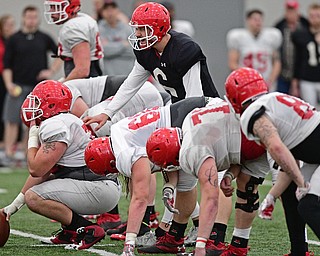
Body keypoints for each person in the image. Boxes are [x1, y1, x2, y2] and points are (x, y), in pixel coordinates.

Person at [2, 80, 121, 250]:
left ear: (50, 103)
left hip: (98, 186)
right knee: (43, 187)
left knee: (34, 197)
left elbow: (36, 169)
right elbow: (44, 172)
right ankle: (70, 231)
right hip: (97, 184)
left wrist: (32, 138)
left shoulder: (55, 125)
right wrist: (12, 207)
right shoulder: (63, 121)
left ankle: (87, 229)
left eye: (37, 101)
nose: (31, 105)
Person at [143, 99, 270, 256]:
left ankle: (218, 241)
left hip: (261, 133)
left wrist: (200, 246)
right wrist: (230, 174)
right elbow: (234, 146)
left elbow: (211, 197)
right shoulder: (187, 126)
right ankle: (238, 247)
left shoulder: (193, 150)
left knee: (286, 189)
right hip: (251, 130)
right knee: (248, 189)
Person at [85, 96, 209, 256]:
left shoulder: (124, 153)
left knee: (200, 181)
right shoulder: (118, 133)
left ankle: (214, 239)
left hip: (190, 117)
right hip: (186, 113)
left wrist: (129, 244)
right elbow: (165, 154)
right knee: (185, 182)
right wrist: (169, 186)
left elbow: (140, 198)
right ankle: (174, 239)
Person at [224, 67, 319, 256]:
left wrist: (301, 183)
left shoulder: (253, 113)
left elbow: (277, 149)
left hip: (315, 155)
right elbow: (287, 160)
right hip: (314, 156)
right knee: (296, 196)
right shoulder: (272, 101)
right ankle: (299, 251)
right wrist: (272, 195)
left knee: (309, 205)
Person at [83, 1, 219, 130]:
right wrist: (107, 113)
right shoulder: (146, 50)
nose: (137, 34)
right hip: (179, 106)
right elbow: (130, 85)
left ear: (159, 28)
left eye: (142, 29)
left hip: (206, 110)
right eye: (136, 28)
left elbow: (194, 97)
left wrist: (185, 127)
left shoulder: (184, 49)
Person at [2, 6, 61, 166]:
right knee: (12, 120)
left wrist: (51, 71)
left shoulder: (44, 37)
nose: (31, 20)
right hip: (17, 86)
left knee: (32, 123)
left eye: (34, 17)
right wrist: (8, 84)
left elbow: (60, 54)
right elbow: (6, 65)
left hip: (37, 89)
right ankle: (8, 154)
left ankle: (26, 154)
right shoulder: (14, 39)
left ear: (38, 18)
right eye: (29, 17)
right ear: (23, 18)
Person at [44, 0, 104, 81]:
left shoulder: (72, 28)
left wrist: (62, 86)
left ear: (70, 7)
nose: (51, 11)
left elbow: (82, 70)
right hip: (93, 76)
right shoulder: (83, 19)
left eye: (55, 7)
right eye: (51, 7)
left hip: (85, 83)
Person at [226, 9, 282, 90]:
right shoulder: (238, 37)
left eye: (260, 19)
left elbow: (277, 63)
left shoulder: (271, 37)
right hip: (246, 84)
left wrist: (270, 81)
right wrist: (247, 80)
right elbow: (232, 64)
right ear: (248, 21)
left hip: (266, 82)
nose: (258, 22)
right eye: (255, 19)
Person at [274, 0, 309, 94]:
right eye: (288, 11)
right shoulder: (279, 26)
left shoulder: (306, 26)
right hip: (283, 73)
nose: (291, 14)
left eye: (293, 11)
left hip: (302, 74)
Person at [291, 3, 320, 107]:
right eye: (312, 16)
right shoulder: (301, 34)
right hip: (307, 78)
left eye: (318, 16)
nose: (315, 19)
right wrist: (295, 82)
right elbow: (297, 59)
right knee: (310, 109)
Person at [98, 1, 135, 76]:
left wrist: (110, 46)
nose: (110, 13)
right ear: (102, 12)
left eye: (112, 9)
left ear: (118, 11)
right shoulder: (98, 29)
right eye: (107, 10)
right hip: (108, 77)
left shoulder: (128, 28)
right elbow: (102, 50)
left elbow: (133, 51)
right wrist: (123, 44)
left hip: (127, 76)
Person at [0, 14, 15, 150]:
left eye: (12, 25)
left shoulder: (15, 41)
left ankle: (10, 144)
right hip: (1, 77)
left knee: (10, 111)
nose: (11, 28)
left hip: (10, 79)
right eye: (8, 25)